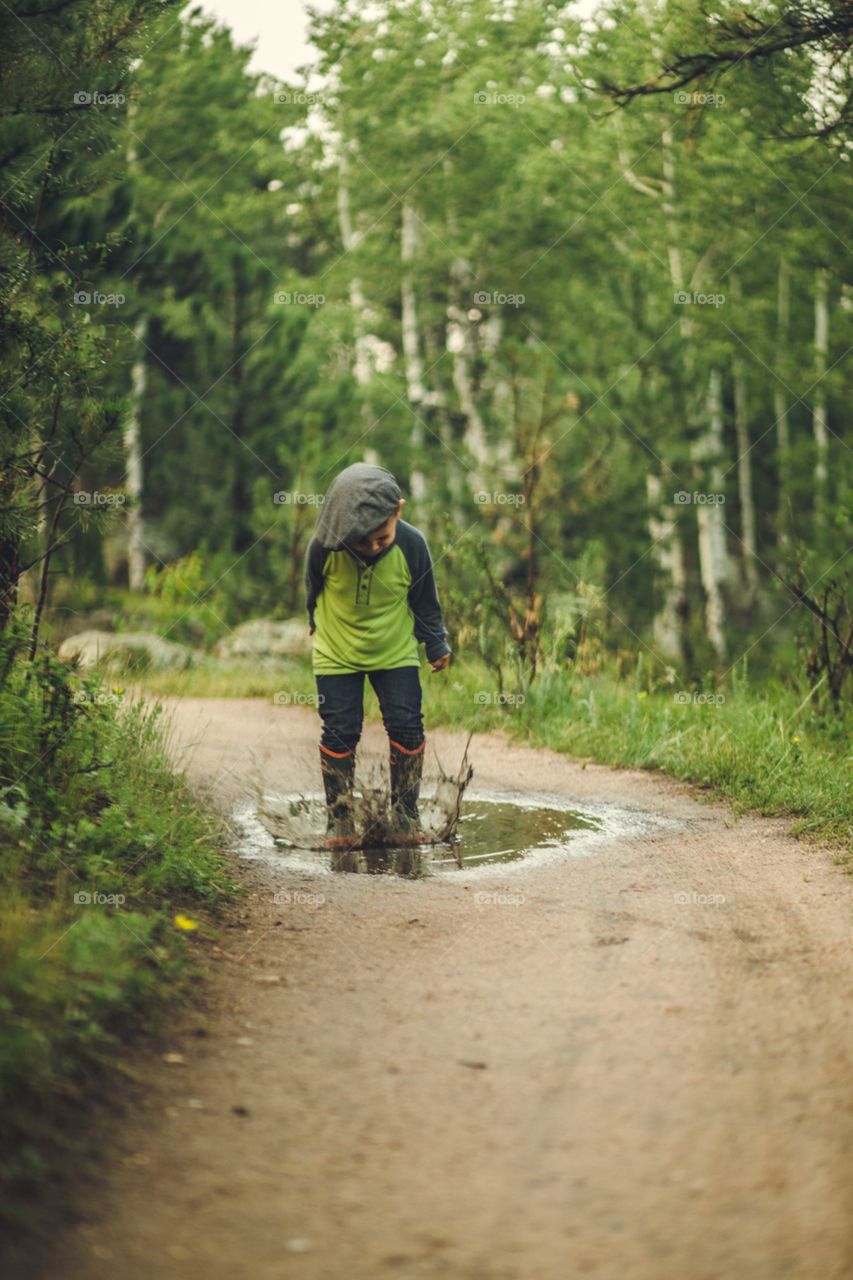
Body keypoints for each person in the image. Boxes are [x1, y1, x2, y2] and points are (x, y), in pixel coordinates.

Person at [304, 462, 452, 850]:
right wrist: (312, 622)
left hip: (395, 651)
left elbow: (425, 602)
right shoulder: (323, 547)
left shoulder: (413, 545)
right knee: (340, 729)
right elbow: (313, 589)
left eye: (380, 538)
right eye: (362, 542)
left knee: (406, 725)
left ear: (398, 511)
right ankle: (339, 817)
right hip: (336, 651)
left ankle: (405, 811)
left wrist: (435, 643)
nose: (372, 546)